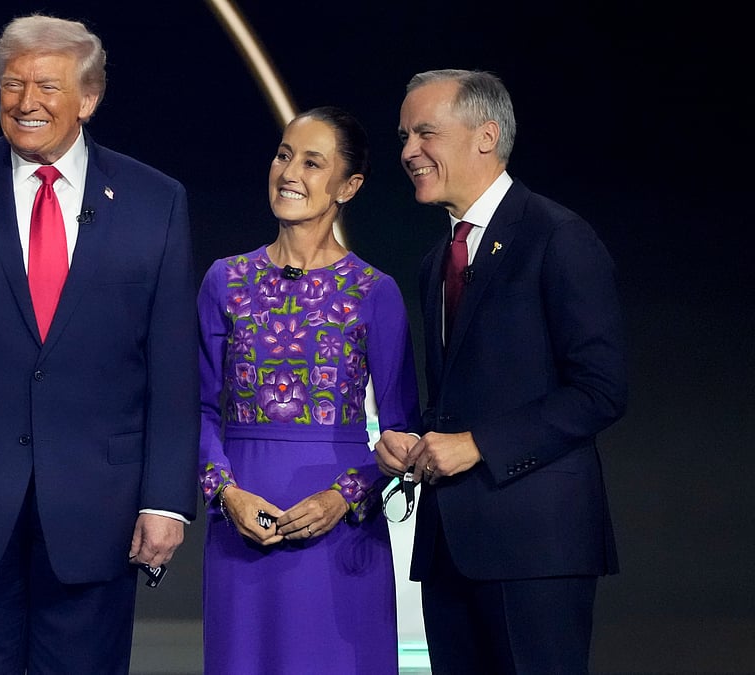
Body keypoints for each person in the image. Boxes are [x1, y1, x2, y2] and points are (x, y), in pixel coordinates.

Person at [0, 14, 199, 675]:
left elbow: (173, 368)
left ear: (88, 98)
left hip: (99, 504)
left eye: (46, 85)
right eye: (12, 84)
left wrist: (163, 498)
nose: (25, 101)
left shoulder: (156, 201)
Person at [376, 68, 627, 673]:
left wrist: (477, 445)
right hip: (448, 549)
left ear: (486, 136)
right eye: (405, 136)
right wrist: (417, 442)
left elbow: (599, 390)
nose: (409, 151)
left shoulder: (557, 236)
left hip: (535, 546)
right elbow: (463, 391)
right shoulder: (438, 258)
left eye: (426, 133)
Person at [197, 106, 422, 674]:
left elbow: (401, 432)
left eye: (312, 163)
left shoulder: (376, 291)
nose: (289, 172)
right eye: (283, 155)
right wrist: (226, 493)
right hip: (243, 528)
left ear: (349, 186)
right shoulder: (225, 280)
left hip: (340, 533)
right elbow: (197, 407)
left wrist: (344, 496)